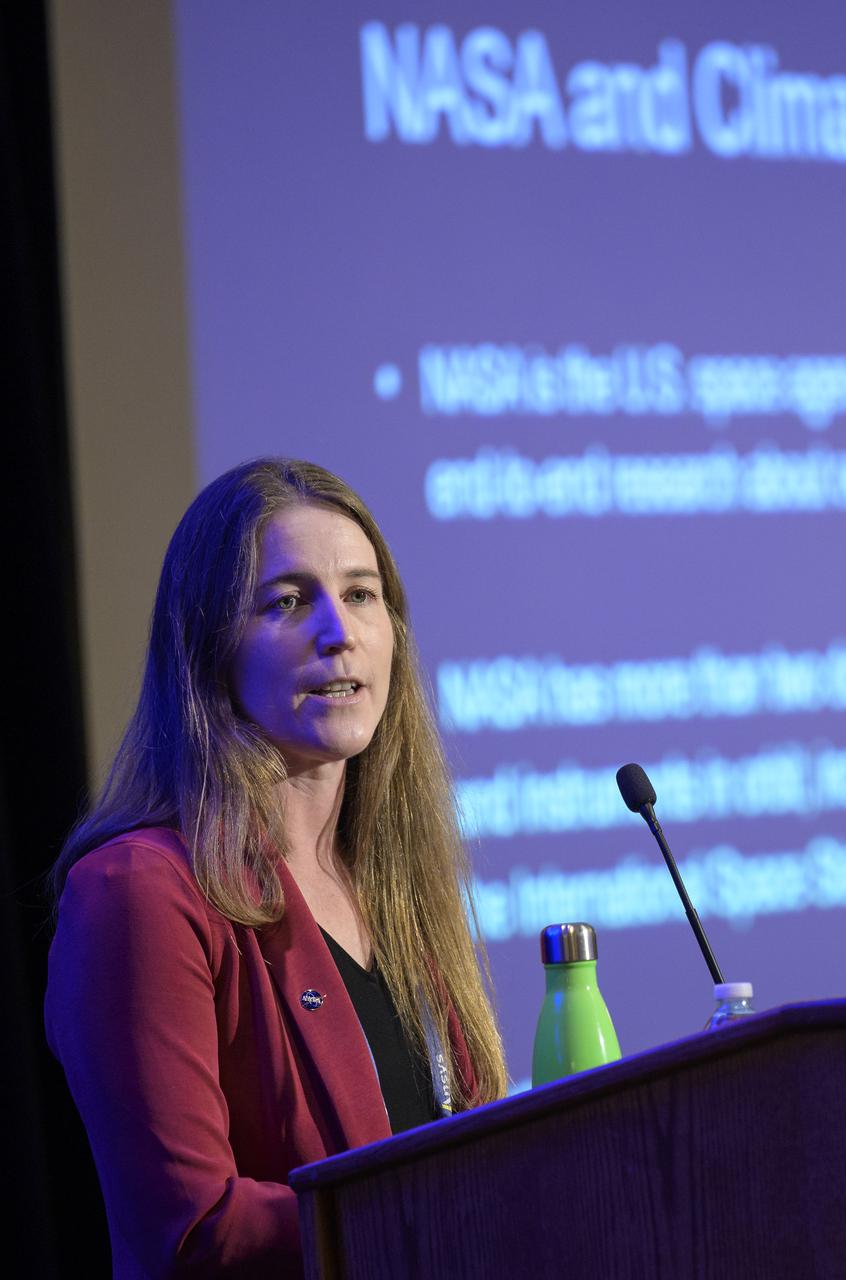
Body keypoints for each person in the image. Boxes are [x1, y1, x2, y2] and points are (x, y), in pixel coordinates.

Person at [46, 458, 507, 1277]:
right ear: (210, 646)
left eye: (361, 594)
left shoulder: (393, 885)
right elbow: (191, 1230)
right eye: (287, 601)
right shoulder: (141, 892)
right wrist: (435, 1209)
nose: (339, 632)